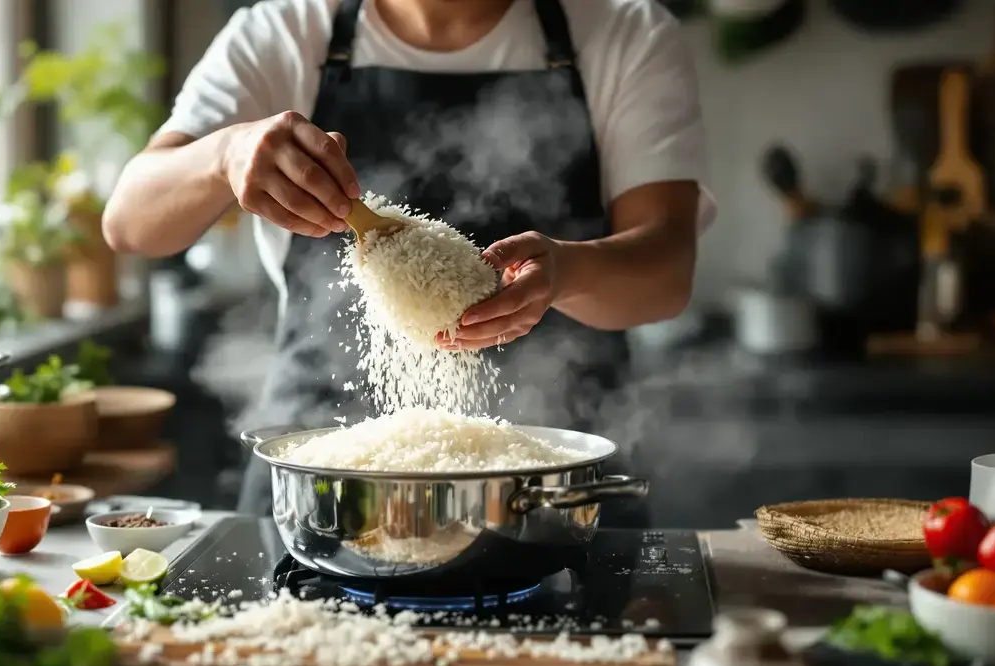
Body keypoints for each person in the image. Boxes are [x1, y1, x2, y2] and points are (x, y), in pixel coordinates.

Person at [104, 0, 716, 519]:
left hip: (553, 483)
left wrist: (567, 271)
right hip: (329, 479)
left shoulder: (622, 30)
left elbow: (665, 273)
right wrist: (223, 155)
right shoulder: (285, 32)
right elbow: (130, 221)